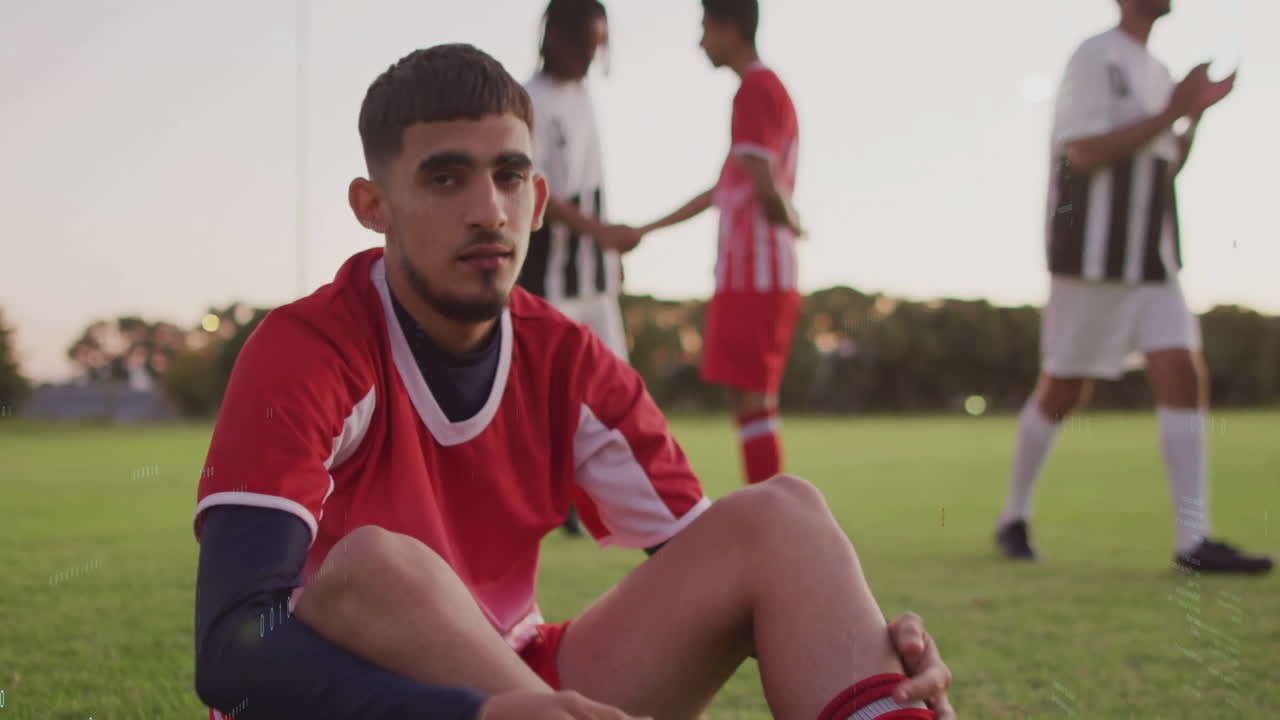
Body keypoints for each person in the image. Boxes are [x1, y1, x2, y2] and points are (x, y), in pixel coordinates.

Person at [192, 44, 955, 720]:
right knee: (370, 568)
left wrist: (871, 653)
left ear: (540, 200)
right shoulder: (308, 348)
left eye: (510, 176)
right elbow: (234, 650)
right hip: (364, 699)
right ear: (374, 207)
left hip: (520, 678)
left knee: (782, 516)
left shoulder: (568, 361)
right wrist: (483, 713)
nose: (488, 210)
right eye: (447, 178)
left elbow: (720, 568)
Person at [993, 0, 1271, 575]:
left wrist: (1194, 115)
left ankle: (1192, 541)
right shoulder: (1094, 56)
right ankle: (1012, 516)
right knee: (1064, 390)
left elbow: (1164, 164)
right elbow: (1085, 150)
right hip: (1089, 257)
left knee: (1182, 371)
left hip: (1153, 254)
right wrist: (1173, 108)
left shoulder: (1159, 71)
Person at [639, 0, 802, 487]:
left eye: (705, 28)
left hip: (759, 272)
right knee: (748, 401)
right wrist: (644, 231)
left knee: (755, 398)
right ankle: (766, 511)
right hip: (747, 273)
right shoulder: (758, 91)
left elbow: (760, 175)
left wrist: (789, 217)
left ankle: (770, 518)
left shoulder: (755, 88)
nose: (701, 40)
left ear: (729, 29)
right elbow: (723, 190)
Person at [519, 0, 642, 536]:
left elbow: (591, 185)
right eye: (588, 43)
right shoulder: (529, 100)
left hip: (593, 274)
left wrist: (606, 254)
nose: (595, 55)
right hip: (549, 271)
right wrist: (602, 235)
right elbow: (536, 189)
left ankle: (615, 498)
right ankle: (557, 501)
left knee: (616, 384)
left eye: (601, 44)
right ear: (561, 38)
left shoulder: (585, 95)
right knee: (551, 390)